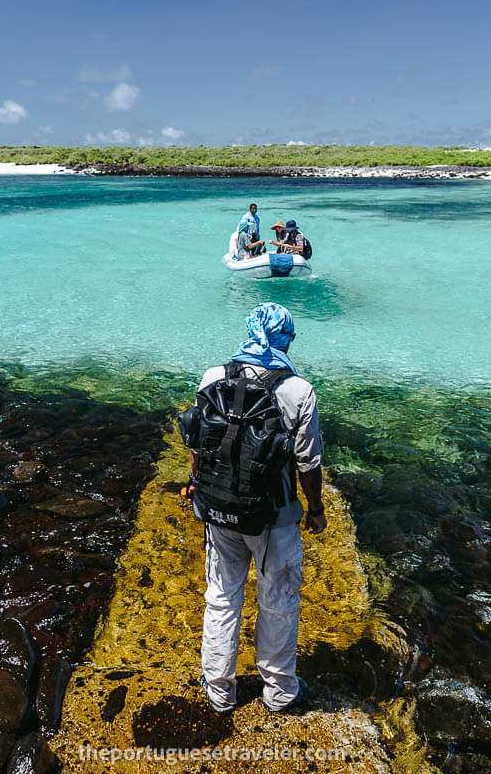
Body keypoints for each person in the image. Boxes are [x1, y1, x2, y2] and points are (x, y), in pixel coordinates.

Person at [187, 303, 325, 714]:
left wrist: (197, 489)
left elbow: (198, 446)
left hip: (218, 510)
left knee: (222, 599)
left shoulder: (213, 377)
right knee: (278, 601)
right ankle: (280, 692)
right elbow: (308, 464)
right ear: (284, 340)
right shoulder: (298, 391)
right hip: (274, 517)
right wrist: (314, 509)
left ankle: (219, 689)